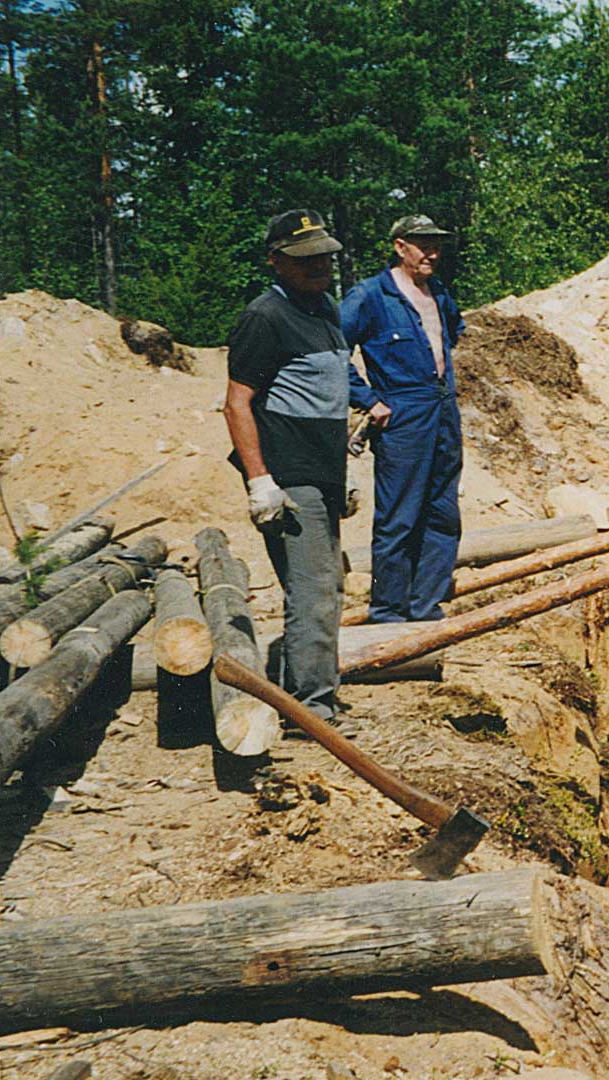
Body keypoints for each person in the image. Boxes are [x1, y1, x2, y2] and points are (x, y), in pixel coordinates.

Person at [222, 209, 353, 722]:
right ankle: (311, 713)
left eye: (323, 255)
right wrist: (260, 482)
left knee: (328, 586)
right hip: (290, 474)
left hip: (323, 471)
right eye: (304, 259)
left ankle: (313, 695)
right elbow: (237, 402)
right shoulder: (265, 318)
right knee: (314, 590)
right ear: (276, 261)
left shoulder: (326, 310)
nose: (318, 265)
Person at [341, 213, 466, 622]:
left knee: (443, 511)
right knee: (399, 516)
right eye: (422, 244)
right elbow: (330, 352)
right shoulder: (371, 296)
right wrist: (369, 400)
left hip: (442, 408)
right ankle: (388, 610)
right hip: (402, 413)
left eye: (436, 245)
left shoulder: (438, 293)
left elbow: (452, 333)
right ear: (400, 246)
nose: (433, 253)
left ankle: (424, 604)